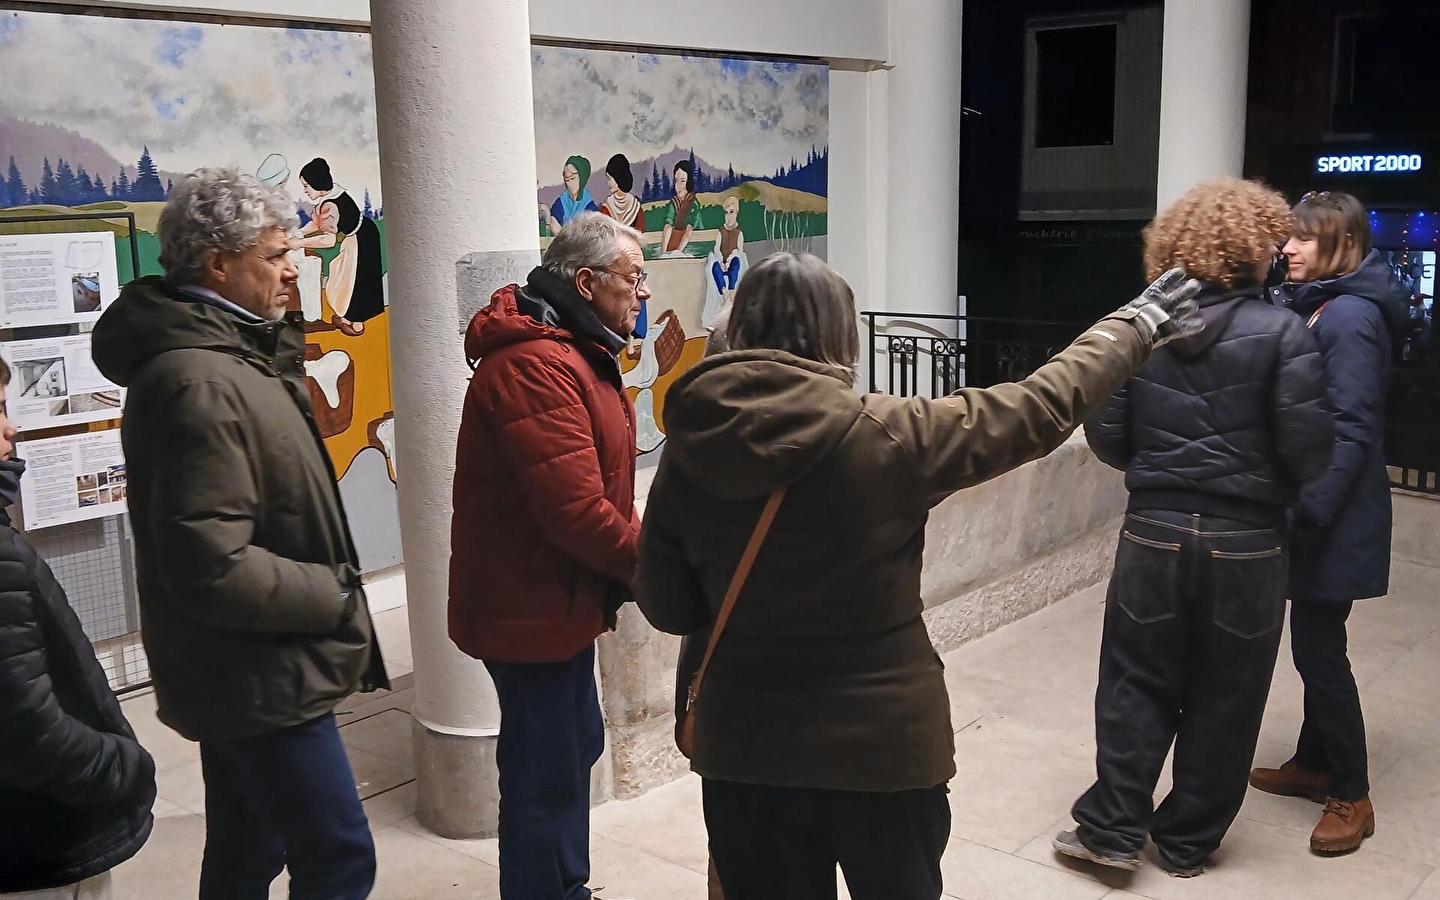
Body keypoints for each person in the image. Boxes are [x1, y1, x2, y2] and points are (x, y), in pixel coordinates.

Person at [633, 252, 1203, 900]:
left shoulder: (688, 447)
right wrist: (1134, 325)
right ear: (840, 336)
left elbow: (667, 605)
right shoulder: (892, 436)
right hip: (884, 750)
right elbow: (1039, 407)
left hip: (745, 750)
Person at [91, 167, 389, 900]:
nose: (294, 269)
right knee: (340, 856)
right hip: (257, 671)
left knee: (247, 849)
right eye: (276, 254)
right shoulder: (197, 380)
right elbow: (213, 565)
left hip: (245, 663)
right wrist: (337, 593)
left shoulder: (239, 353)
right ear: (217, 264)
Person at [1053, 178, 1334, 877]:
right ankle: (1185, 841)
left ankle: (1113, 830)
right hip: (1249, 543)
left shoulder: (1136, 325)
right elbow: (1309, 452)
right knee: (1229, 691)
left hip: (1153, 530)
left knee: (1133, 681)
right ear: (1250, 248)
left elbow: (1109, 438)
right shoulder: (1285, 333)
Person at [450, 212, 648, 900]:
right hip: (526, 604)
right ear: (587, 283)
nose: (642, 292)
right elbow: (575, 511)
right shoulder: (537, 364)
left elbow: (601, 491)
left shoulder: (571, 349)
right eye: (633, 277)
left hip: (559, 601)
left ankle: (569, 888)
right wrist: (657, 565)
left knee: (574, 748)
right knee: (542, 771)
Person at [1249, 190, 1410, 854]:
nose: (1287, 248)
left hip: (1333, 516)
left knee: (1320, 653)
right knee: (1315, 644)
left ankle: (1353, 793)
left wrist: (1307, 513)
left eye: (1303, 239)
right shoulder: (1324, 307)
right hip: (1327, 512)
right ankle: (1315, 764)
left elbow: (1348, 431)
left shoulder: (1349, 318)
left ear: (1340, 244)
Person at [0, 356, 156, 900]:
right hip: (41, 843)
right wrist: (124, 766)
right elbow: (26, 732)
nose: (11, 429)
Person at [292, 158, 386, 336]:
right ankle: (346, 318)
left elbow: (328, 241)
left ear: (317, 184)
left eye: (306, 186)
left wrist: (299, 243)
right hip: (359, 236)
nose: (304, 191)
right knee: (344, 277)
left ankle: (355, 324)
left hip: (361, 239)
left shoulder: (330, 204)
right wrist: (300, 233)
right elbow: (317, 222)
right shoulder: (330, 196)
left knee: (354, 280)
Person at [703, 197, 746, 331]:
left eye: (731, 212)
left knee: (737, 263)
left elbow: (738, 250)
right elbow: (717, 248)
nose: (728, 216)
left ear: (736, 213)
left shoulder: (739, 232)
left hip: (731, 261)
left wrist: (730, 260)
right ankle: (724, 291)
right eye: (726, 213)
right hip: (721, 262)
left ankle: (732, 290)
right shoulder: (721, 231)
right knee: (714, 266)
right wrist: (721, 261)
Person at [544, 155, 602, 235]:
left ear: (581, 179)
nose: (569, 184)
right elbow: (554, 222)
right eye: (567, 180)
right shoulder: (561, 202)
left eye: (572, 179)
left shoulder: (589, 206)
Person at [659, 160, 702, 256]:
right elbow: (668, 225)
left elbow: (689, 230)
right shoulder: (673, 203)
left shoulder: (693, 203)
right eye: (676, 180)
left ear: (688, 181)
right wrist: (664, 253)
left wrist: (678, 253)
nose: (678, 185)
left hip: (694, 245)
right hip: (677, 245)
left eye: (682, 181)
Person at [599, 153, 646, 231]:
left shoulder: (635, 206)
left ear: (618, 178)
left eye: (610, 179)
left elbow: (640, 229)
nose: (608, 183)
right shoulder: (607, 207)